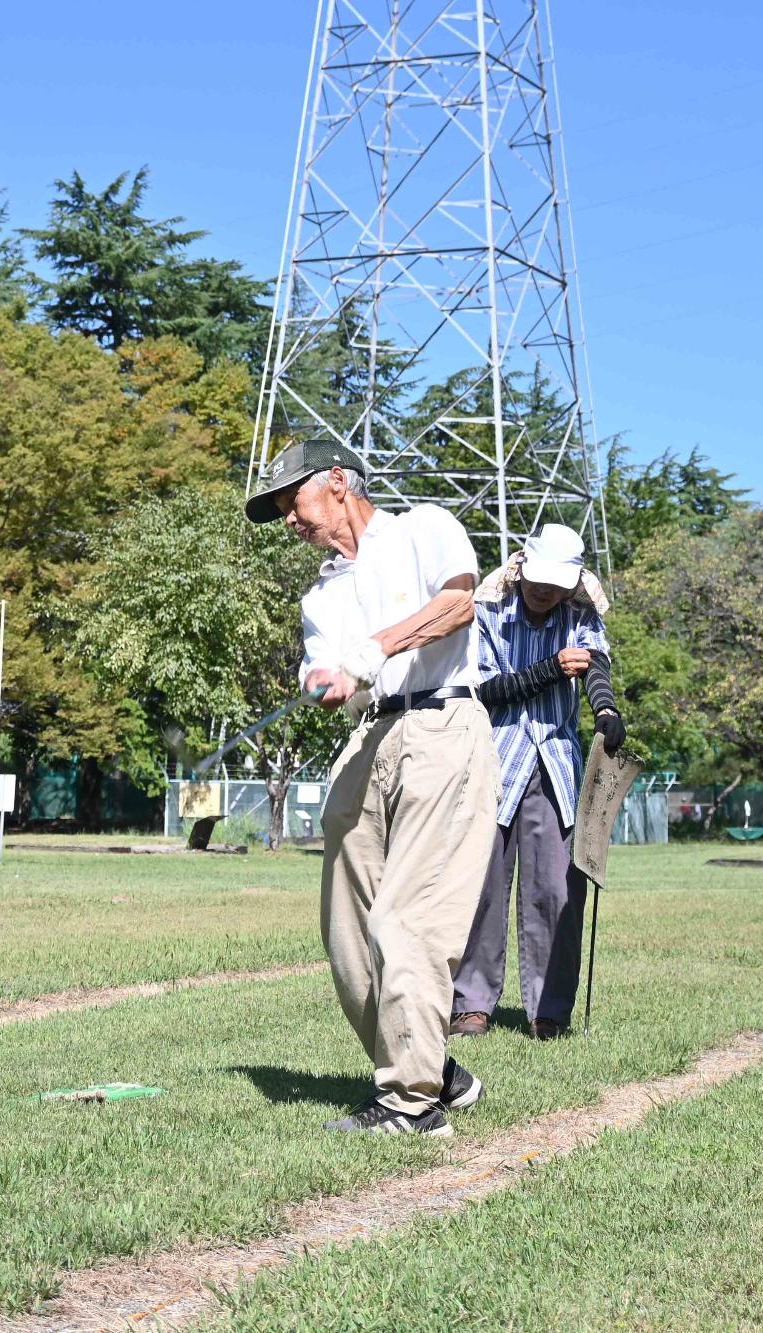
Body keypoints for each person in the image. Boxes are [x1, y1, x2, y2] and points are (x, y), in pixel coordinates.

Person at [246, 440, 500, 1137]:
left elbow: (457, 605)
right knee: (348, 932)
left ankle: (413, 1105)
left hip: (444, 722)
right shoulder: (320, 595)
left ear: (335, 481)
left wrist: (375, 648)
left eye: (289, 502)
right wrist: (321, 680)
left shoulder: (424, 527)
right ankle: (434, 1066)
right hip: (371, 737)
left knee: (407, 920)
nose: (288, 521)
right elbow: (324, 668)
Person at [452, 523, 624, 1041]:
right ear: (523, 566)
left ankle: (549, 1011)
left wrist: (607, 710)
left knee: (556, 890)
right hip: (491, 762)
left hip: (556, 768)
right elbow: (480, 690)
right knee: (480, 889)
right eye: (538, 580)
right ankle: (470, 1005)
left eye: (557, 583)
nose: (544, 591)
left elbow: (597, 669)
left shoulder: (580, 616)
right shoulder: (487, 613)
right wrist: (549, 670)